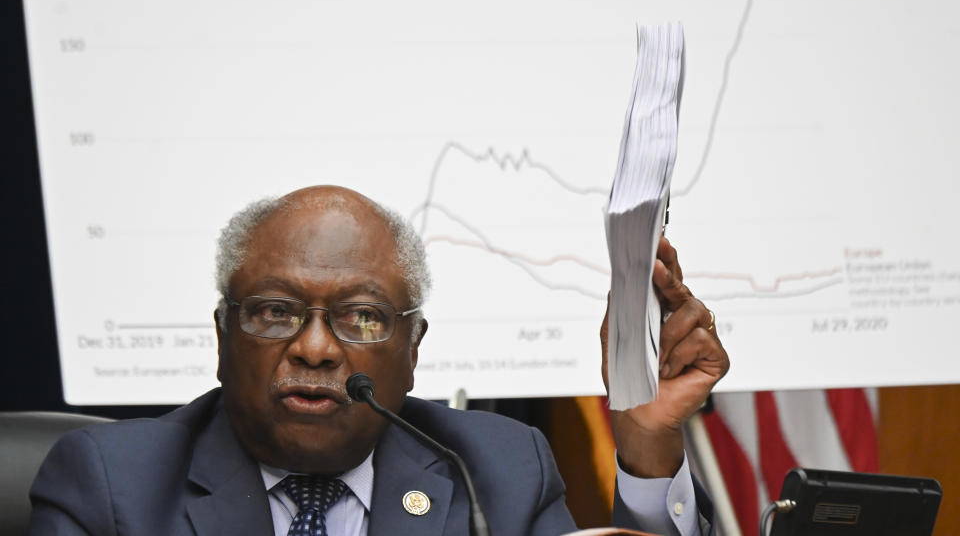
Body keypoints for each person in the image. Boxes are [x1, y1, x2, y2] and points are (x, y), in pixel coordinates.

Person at [30, 185, 729, 536]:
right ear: (222, 335)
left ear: (413, 349)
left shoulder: (498, 472)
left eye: (360, 317)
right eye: (274, 311)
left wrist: (647, 454)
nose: (313, 347)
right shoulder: (112, 486)